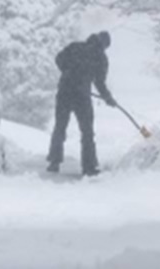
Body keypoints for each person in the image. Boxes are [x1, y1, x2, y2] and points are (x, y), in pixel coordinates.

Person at [47, 31, 116, 176]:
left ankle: (54, 162)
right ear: (104, 45)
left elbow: (59, 59)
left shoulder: (75, 46)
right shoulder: (101, 58)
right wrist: (108, 98)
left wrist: (67, 72)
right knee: (87, 132)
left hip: (64, 92)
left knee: (60, 127)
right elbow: (100, 83)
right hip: (82, 97)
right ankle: (89, 167)